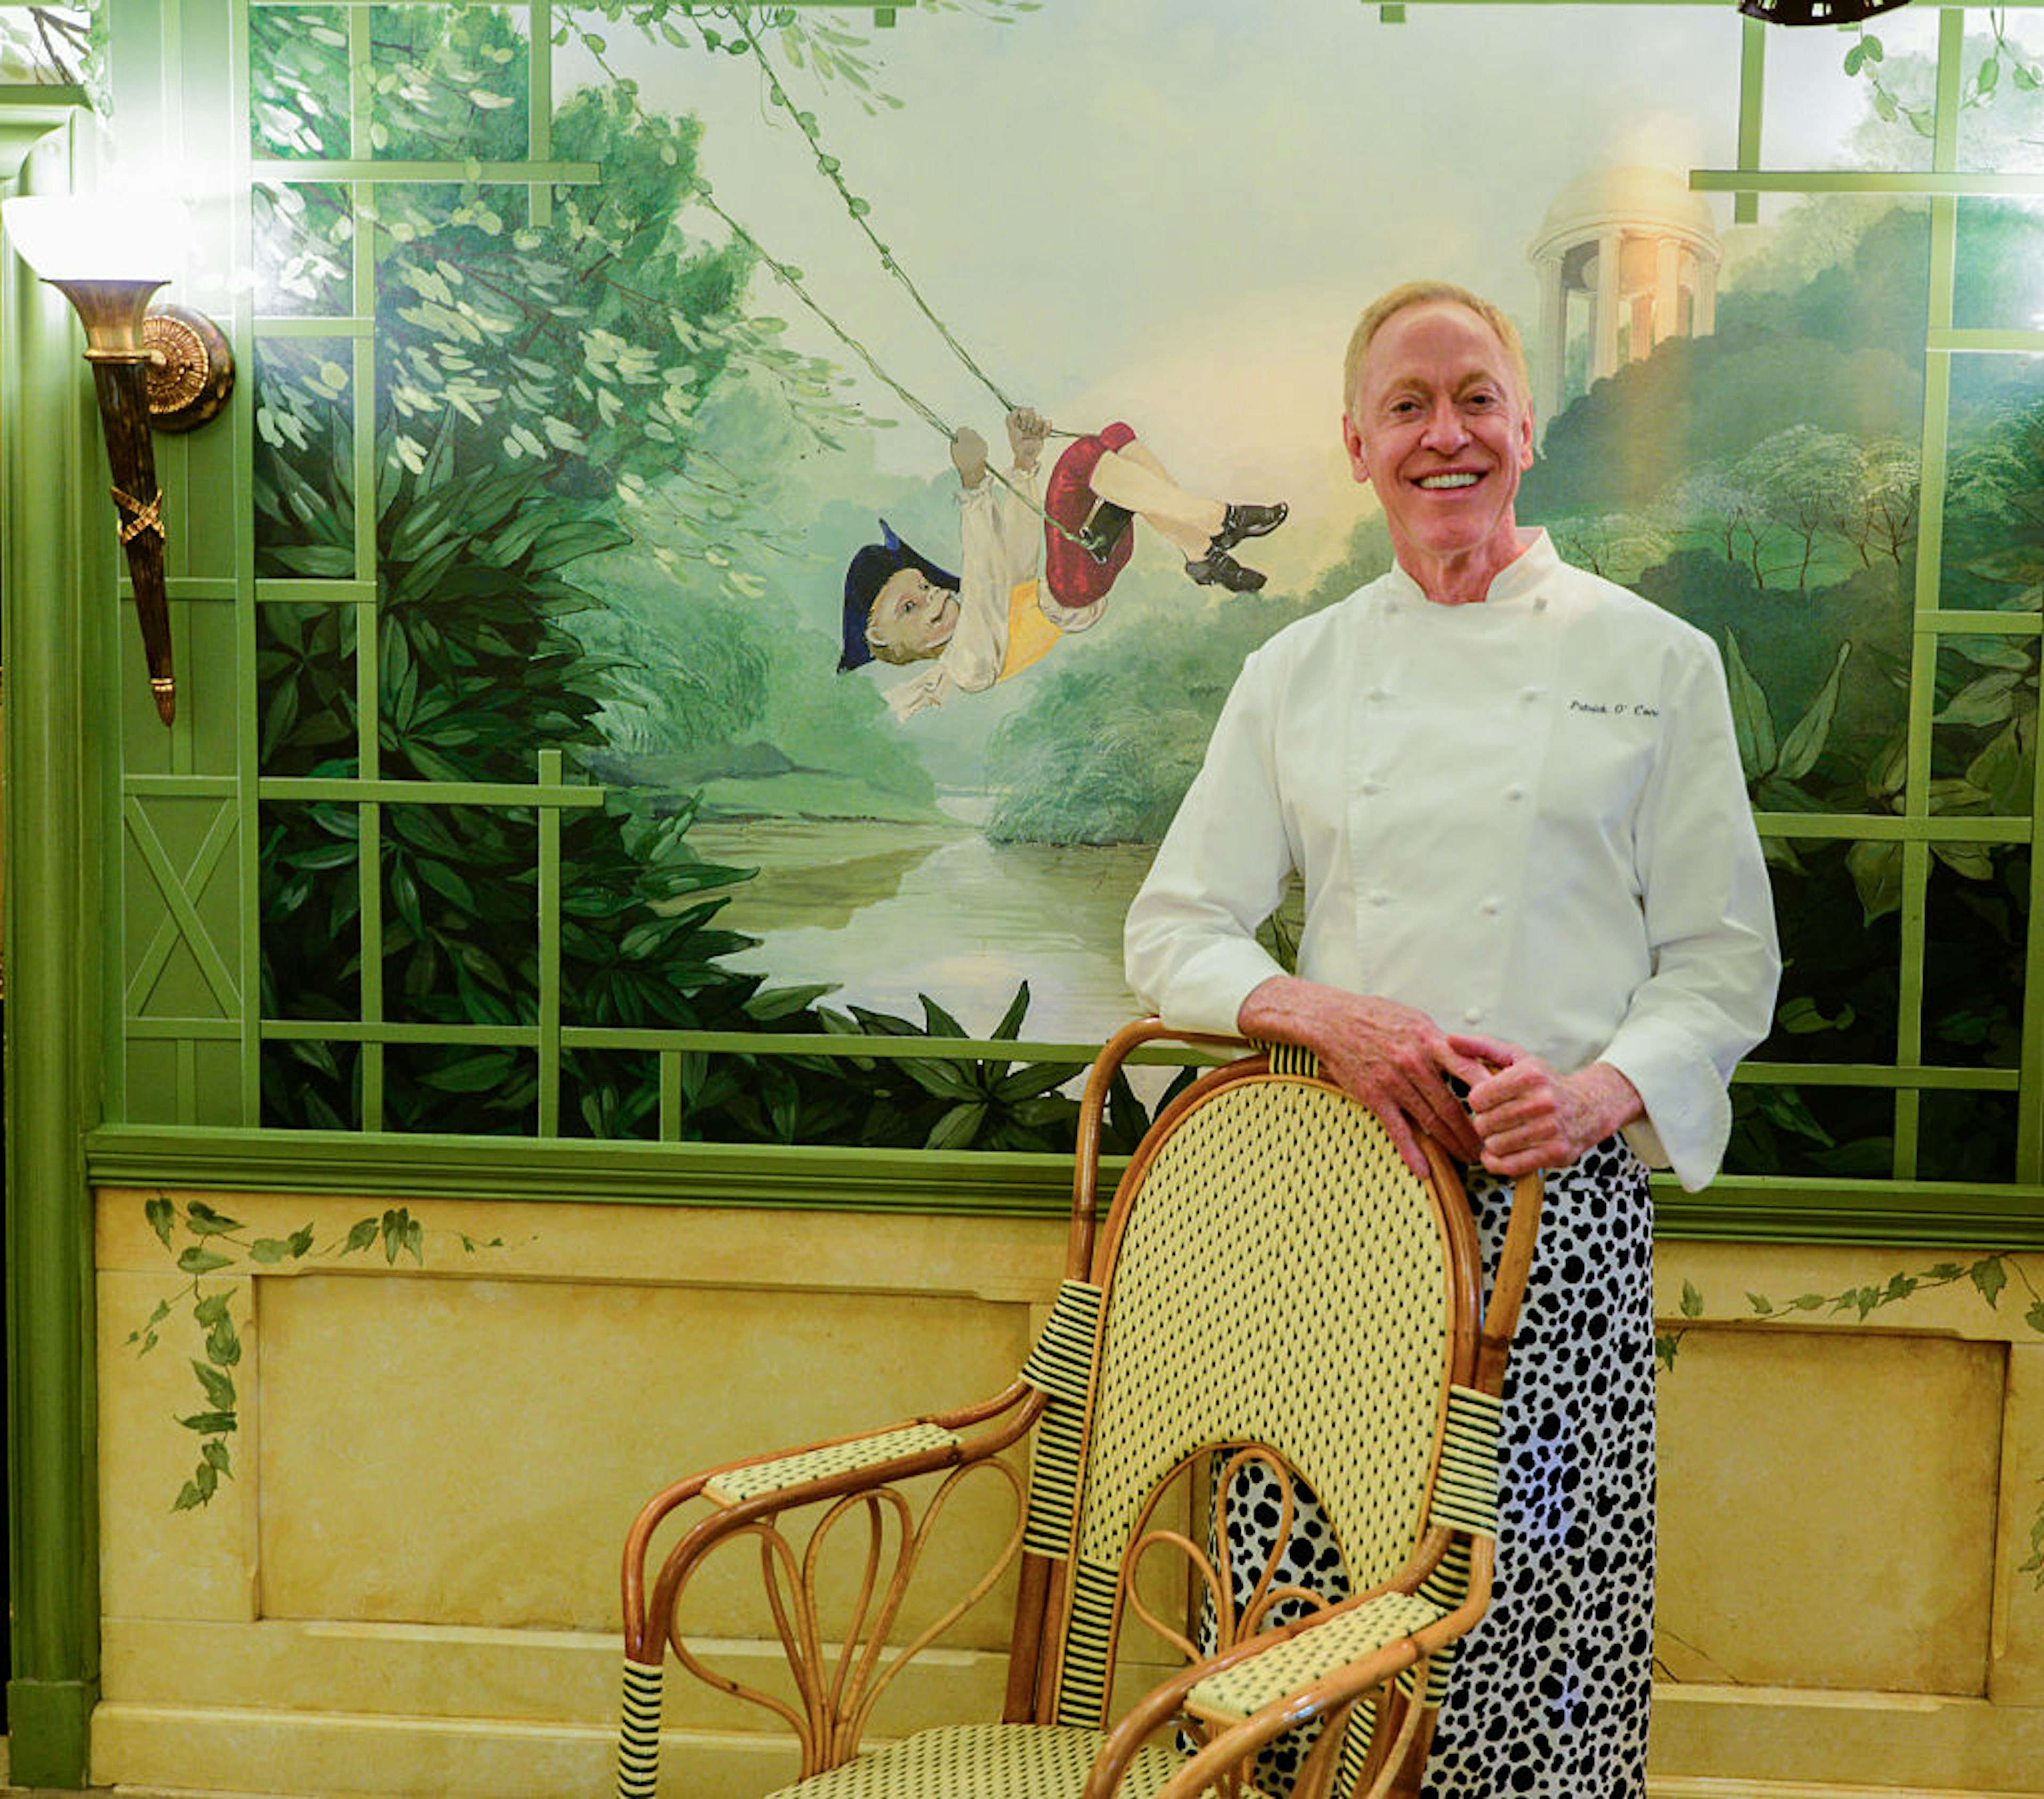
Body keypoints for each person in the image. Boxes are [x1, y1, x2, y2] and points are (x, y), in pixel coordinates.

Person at [1124, 280, 1779, 1796]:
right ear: (1357, 446)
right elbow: (1176, 929)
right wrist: (1316, 1010)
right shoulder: (1294, 672)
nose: (1446, 434)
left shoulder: (1657, 662)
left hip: (1555, 1231)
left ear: (1527, 429)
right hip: (1337, 1227)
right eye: (1408, 406)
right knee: (1307, 1593)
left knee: (1538, 1603)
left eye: (1476, 397)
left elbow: (1724, 963)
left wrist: (1602, 1090)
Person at [837, 407, 1286, 720]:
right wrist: (974, 488)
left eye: (922, 587)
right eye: (909, 609)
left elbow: (1014, 559)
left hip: (1082, 572)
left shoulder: (981, 620)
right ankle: (1218, 518)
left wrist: (1023, 465)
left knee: (1114, 438)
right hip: (1071, 589)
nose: (932, 595)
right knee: (1081, 462)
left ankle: (1200, 554)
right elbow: (987, 585)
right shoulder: (967, 666)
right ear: (885, 641)